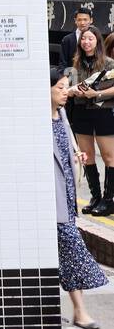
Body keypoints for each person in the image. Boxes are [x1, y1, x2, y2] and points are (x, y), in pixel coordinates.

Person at [50, 67, 106, 329]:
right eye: (59, 88)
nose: (65, 93)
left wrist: (77, 157)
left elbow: (67, 148)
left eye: (65, 87)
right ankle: (80, 310)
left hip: (67, 192)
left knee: (67, 251)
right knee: (72, 248)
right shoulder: (36, 121)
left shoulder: (61, 114)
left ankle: (79, 311)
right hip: (51, 197)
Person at [65, 25, 114, 216]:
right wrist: (72, 91)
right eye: (83, 39)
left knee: (109, 156)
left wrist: (97, 93)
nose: (86, 42)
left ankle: (109, 200)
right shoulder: (75, 64)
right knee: (87, 156)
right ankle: (95, 197)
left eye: (90, 39)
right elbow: (67, 87)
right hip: (81, 111)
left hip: (103, 112)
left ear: (97, 41)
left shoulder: (109, 63)